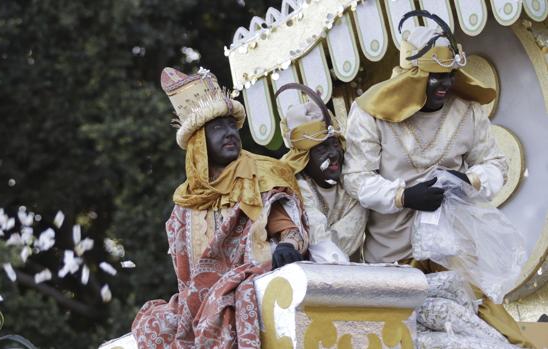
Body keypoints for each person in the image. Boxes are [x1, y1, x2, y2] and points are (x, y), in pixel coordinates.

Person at [343, 11, 533, 348]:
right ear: (409, 76)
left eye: (448, 75)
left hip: (455, 252)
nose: (444, 85)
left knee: (492, 332)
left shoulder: (468, 111)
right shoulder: (370, 112)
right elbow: (356, 179)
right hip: (393, 257)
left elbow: (496, 164)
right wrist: (404, 197)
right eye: (433, 77)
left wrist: (469, 180)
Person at [131, 67, 309, 348]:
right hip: (199, 302)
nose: (229, 133)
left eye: (231, 125)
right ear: (198, 145)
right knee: (153, 324)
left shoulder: (260, 174)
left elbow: (290, 232)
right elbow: (186, 280)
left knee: (232, 299)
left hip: (255, 287)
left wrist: (288, 246)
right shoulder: (183, 207)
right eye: (217, 127)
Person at [277, 84, 367, 261]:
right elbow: (321, 244)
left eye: (335, 144)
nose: (334, 154)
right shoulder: (296, 189)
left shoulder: (353, 182)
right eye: (322, 149)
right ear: (304, 158)